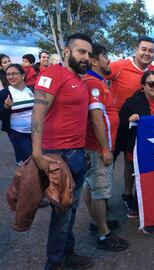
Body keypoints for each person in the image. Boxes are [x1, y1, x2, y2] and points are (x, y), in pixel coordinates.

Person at [32, 33, 94, 269]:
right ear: (67, 52)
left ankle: (68, 254)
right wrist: (38, 154)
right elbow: (37, 114)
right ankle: (55, 264)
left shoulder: (78, 79)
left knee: (71, 208)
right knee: (61, 214)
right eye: (81, 52)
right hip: (58, 156)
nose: (86, 57)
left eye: (88, 53)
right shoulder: (52, 75)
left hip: (76, 153)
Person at [82, 44, 129, 251]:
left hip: (94, 146)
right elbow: (96, 119)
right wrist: (105, 148)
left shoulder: (98, 81)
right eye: (105, 56)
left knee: (91, 185)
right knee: (99, 190)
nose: (109, 60)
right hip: (97, 146)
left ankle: (97, 223)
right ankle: (103, 235)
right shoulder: (93, 82)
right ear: (95, 61)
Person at [105, 35, 154, 210]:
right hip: (115, 125)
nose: (147, 53)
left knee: (131, 162)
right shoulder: (119, 66)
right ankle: (101, 200)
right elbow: (97, 73)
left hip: (136, 127)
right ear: (136, 50)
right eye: (143, 49)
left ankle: (127, 195)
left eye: (151, 51)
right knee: (107, 163)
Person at [119, 70, 154, 239]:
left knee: (153, 183)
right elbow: (121, 123)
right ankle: (150, 224)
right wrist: (131, 119)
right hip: (140, 151)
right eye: (151, 83)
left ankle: (136, 209)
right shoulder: (132, 103)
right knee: (149, 184)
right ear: (143, 86)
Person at [0, 64, 33, 166]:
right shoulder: (4, 93)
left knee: (38, 159)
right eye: (8, 74)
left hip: (36, 133)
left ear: (22, 75)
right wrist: (6, 107)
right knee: (31, 159)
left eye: (14, 73)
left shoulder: (32, 90)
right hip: (18, 133)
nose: (10, 77)